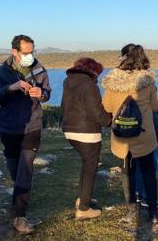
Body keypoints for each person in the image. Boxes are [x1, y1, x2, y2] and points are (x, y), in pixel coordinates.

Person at [0, 34, 51, 234]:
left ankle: (19, 216)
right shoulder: (0, 72)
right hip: (9, 128)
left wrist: (41, 94)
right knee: (15, 170)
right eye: (26, 52)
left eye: (32, 51)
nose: (30, 56)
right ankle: (20, 196)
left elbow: (47, 93)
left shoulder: (39, 69)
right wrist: (11, 88)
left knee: (25, 169)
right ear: (14, 52)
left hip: (32, 127)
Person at [102, 44, 158, 233]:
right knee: (149, 174)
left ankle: (130, 211)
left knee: (127, 174)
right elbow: (154, 107)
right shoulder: (148, 82)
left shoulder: (112, 83)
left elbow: (106, 107)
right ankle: (153, 213)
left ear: (123, 58)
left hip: (122, 139)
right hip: (144, 137)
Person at [61, 58, 112, 220]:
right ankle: (83, 209)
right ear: (93, 71)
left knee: (86, 164)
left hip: (70, 129)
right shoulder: (90, 85)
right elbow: (96, 113)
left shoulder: (68, 82)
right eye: (98, 73)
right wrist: (109, 120)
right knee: (90, 168)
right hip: (87, 132)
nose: (98, 76)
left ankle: (83, 198)